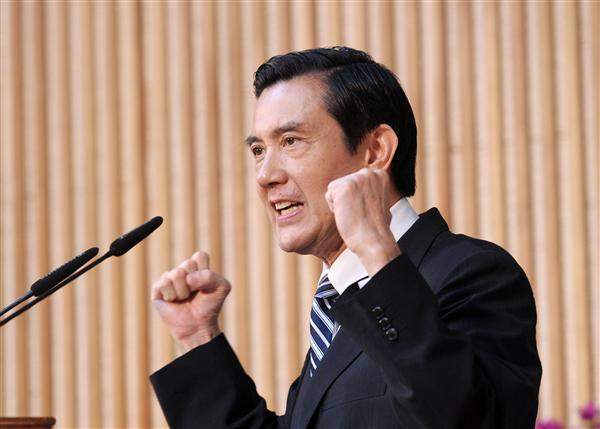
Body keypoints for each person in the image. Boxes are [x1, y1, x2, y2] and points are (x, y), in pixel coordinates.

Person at [149, 46, 541, 428]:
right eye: (258, 150)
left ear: (375, 151)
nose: (265, 175)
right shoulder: (335, 306)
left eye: (291, 141)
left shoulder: (472, 273)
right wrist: (199, 337)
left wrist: (377, 252)